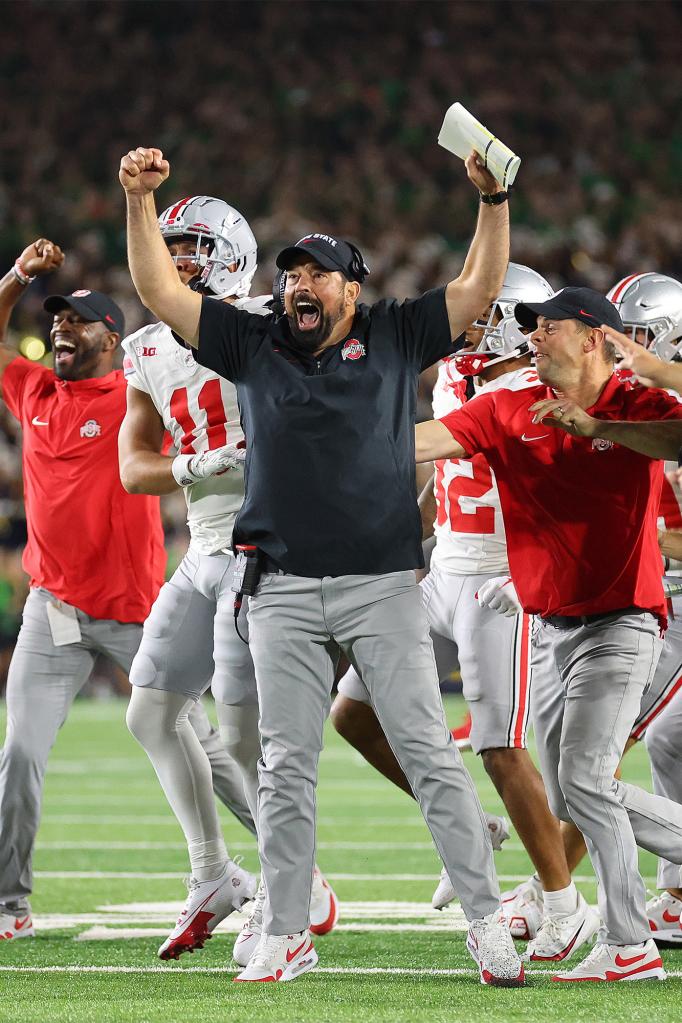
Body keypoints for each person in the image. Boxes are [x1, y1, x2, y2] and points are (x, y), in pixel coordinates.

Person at [119, 145, 525, 987]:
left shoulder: (394, 332)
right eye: (290, 272)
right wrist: (139, 199)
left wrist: (492, 201)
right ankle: (288, 927)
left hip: (382, 584)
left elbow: (479, 288)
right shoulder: (255, 340)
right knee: (283, 763)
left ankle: (487, 920)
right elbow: (161, 291)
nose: (300, 283)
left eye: (317, 273)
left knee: (426, 750)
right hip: (282, 588)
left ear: (352, 287)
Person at [332, 265, 600, 964]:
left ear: (512, 319)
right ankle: (466, 829)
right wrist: (408, 543)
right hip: (446, 563)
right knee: (352, 713)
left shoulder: (540, 384)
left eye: (482, 313)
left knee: (501, 746)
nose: (464, 323)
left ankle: (563, 901)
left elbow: (578, 489)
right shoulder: (457, 373)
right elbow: (444, 470)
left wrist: (542, 563)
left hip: (500, 577)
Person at [415, 284, 682, 983]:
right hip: (548, 627)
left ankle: (628, 942)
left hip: (623, 619)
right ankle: (628, 938)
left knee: (590, 779)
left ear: (593, 336)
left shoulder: (632, 402)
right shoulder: (507, 401)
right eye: (531, 327)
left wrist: (601, 430)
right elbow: (431, 441)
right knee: (571, 793)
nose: (532, 337)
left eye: (549, 327)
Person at [0, 239, 260, 942]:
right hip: (50, 607)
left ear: (111, 339)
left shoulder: (134, 389)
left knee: (203, 744)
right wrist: (19, 276)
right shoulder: (34, 391)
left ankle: (280, 861)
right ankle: (8, 904)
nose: (60, 329)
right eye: (55, 321)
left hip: (136, 606)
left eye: (77, 320)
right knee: (19, 749)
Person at [119, 195, 338, 961]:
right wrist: (195, 463)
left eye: (194, 246)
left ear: (233, 254)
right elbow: (133, 466)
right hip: (202, 548)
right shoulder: (147, 347)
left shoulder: (269, 327)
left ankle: (292, 888)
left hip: (265, 549)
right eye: (170, 246)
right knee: (150, 712)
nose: (180, 258)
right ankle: (215, 872)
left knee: (247, 742)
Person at [493, 273, 682, 946]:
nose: (626, 348)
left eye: (643, 336)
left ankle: (610, 924)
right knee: (588, 781)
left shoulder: (646, 401)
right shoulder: (591, 403)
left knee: (595, 772)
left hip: (648, 608)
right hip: (603, 609)